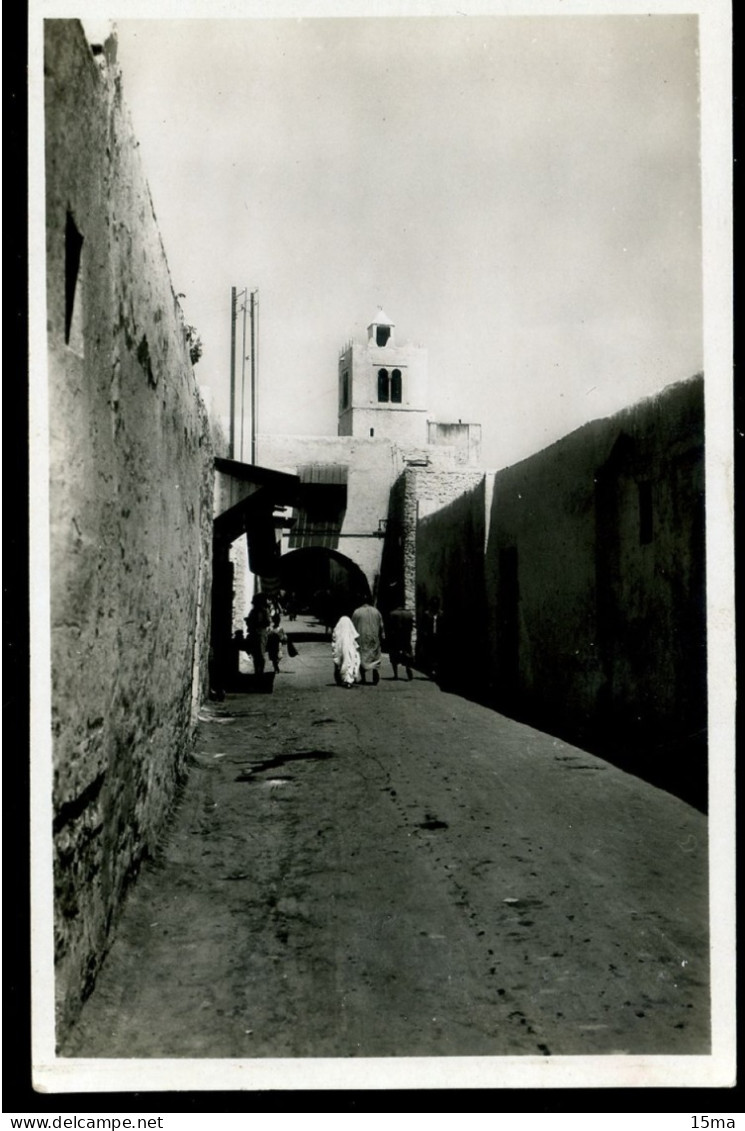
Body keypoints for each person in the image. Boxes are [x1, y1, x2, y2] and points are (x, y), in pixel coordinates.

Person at [351, 595, 385, 685]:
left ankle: (363, 678)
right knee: (375, 656)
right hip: (374, 639)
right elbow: (381, 625)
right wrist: (382, 635)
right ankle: (375, 674)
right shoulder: (376, 611)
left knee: (362, 657)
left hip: (361, 639)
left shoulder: (357, 612)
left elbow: (352, 626)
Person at [387, 599, 415, 681]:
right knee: (408, 653)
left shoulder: (392, 614)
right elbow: (411, 627)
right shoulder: (409, 614)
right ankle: (408, 667)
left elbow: (390, 627)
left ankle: (396, 674)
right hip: (406, 637)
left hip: (395, 638)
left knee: (394, 655)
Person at [244, 593, 271, 677]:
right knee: (255, 654)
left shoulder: (263, 611)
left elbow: (267, 622)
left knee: (260, 654)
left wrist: (256, 623)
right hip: (254, 634)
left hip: (260, 634)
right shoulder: (254, 611)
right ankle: (257, 671)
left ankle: (260, 671)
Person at [331, 615, 360, 688]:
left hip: (340, 648)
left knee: (340, 664)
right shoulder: (351, 629)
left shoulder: (337, 629)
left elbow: (334, 638)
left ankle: (340, 680)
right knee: (350, 663)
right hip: (350, 649)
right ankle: (349, 680)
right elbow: (355, 637)